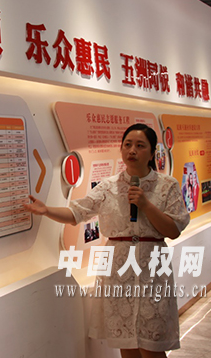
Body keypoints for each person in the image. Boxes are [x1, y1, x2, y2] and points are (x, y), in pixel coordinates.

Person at [23, 124, 190, 358]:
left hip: (152, 268)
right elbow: (76, 213)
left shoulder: (168, 185)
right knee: (126, 342)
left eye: (140, 145)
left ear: (152, 153)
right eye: (127, 145)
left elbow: (173, 230)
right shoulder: (108, 186)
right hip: (118, 269)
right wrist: (46, 210)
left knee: (153, 345)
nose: (132, 150)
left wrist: (145, 205)